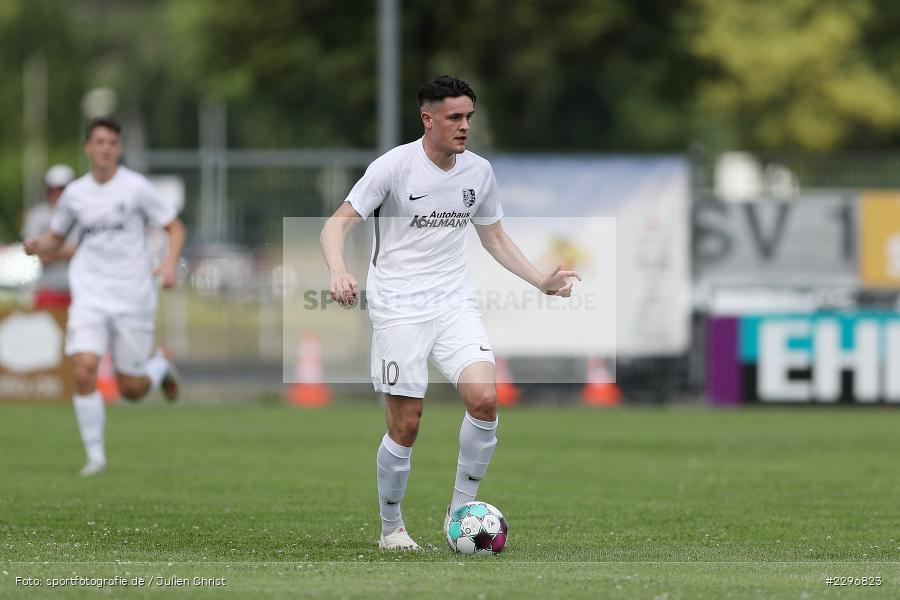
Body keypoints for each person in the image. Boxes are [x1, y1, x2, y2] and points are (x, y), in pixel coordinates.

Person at [320, 75, 581, 550]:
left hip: (453, 303)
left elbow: (494, 237)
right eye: (455, 117)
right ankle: (391, 528)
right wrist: (338, 271)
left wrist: (540, 280)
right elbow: (335, 226)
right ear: (428, 119)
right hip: (398, 305)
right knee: (408, 423)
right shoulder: (394, 167)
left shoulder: (478, 172)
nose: (464, 127)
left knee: (484, 399)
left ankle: (460, 511)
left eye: (469, 117)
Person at [25, 117, 186, 477]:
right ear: (88, 148)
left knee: (131, 390)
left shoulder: (136, 188)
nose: (106, 148)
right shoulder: (75, 194)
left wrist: (170, 263)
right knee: (83, 369)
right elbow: (56, 236)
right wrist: (38, 246)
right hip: (90, 294)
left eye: (112, 142)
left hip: (133, 295)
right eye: (99, 141)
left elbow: (174, 227)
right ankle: (95, 457)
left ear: (119, 149)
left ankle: (158, 367)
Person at [20, 164, 78, 309]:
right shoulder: (36, 215)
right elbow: (38, 255)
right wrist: (70, 251)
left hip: (79, 290)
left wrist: (48, 248)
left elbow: (85, 250)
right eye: (53, 189)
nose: (57, 193)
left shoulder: (82, 213)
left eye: (62, 189)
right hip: (47, 290)